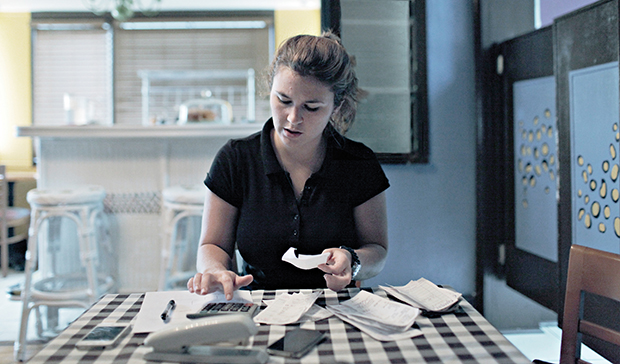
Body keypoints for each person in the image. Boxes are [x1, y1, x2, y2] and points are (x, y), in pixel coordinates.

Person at [187, 32, 389, 300]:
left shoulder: (359, 163)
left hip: (339, 310)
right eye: (283, 100)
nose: (293, 118)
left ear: (336, 106)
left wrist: (353, 261)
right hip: (259, 307)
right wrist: (214, 270)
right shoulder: (235, 159)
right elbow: (212, 244)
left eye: (312, 107)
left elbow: (376, 249)